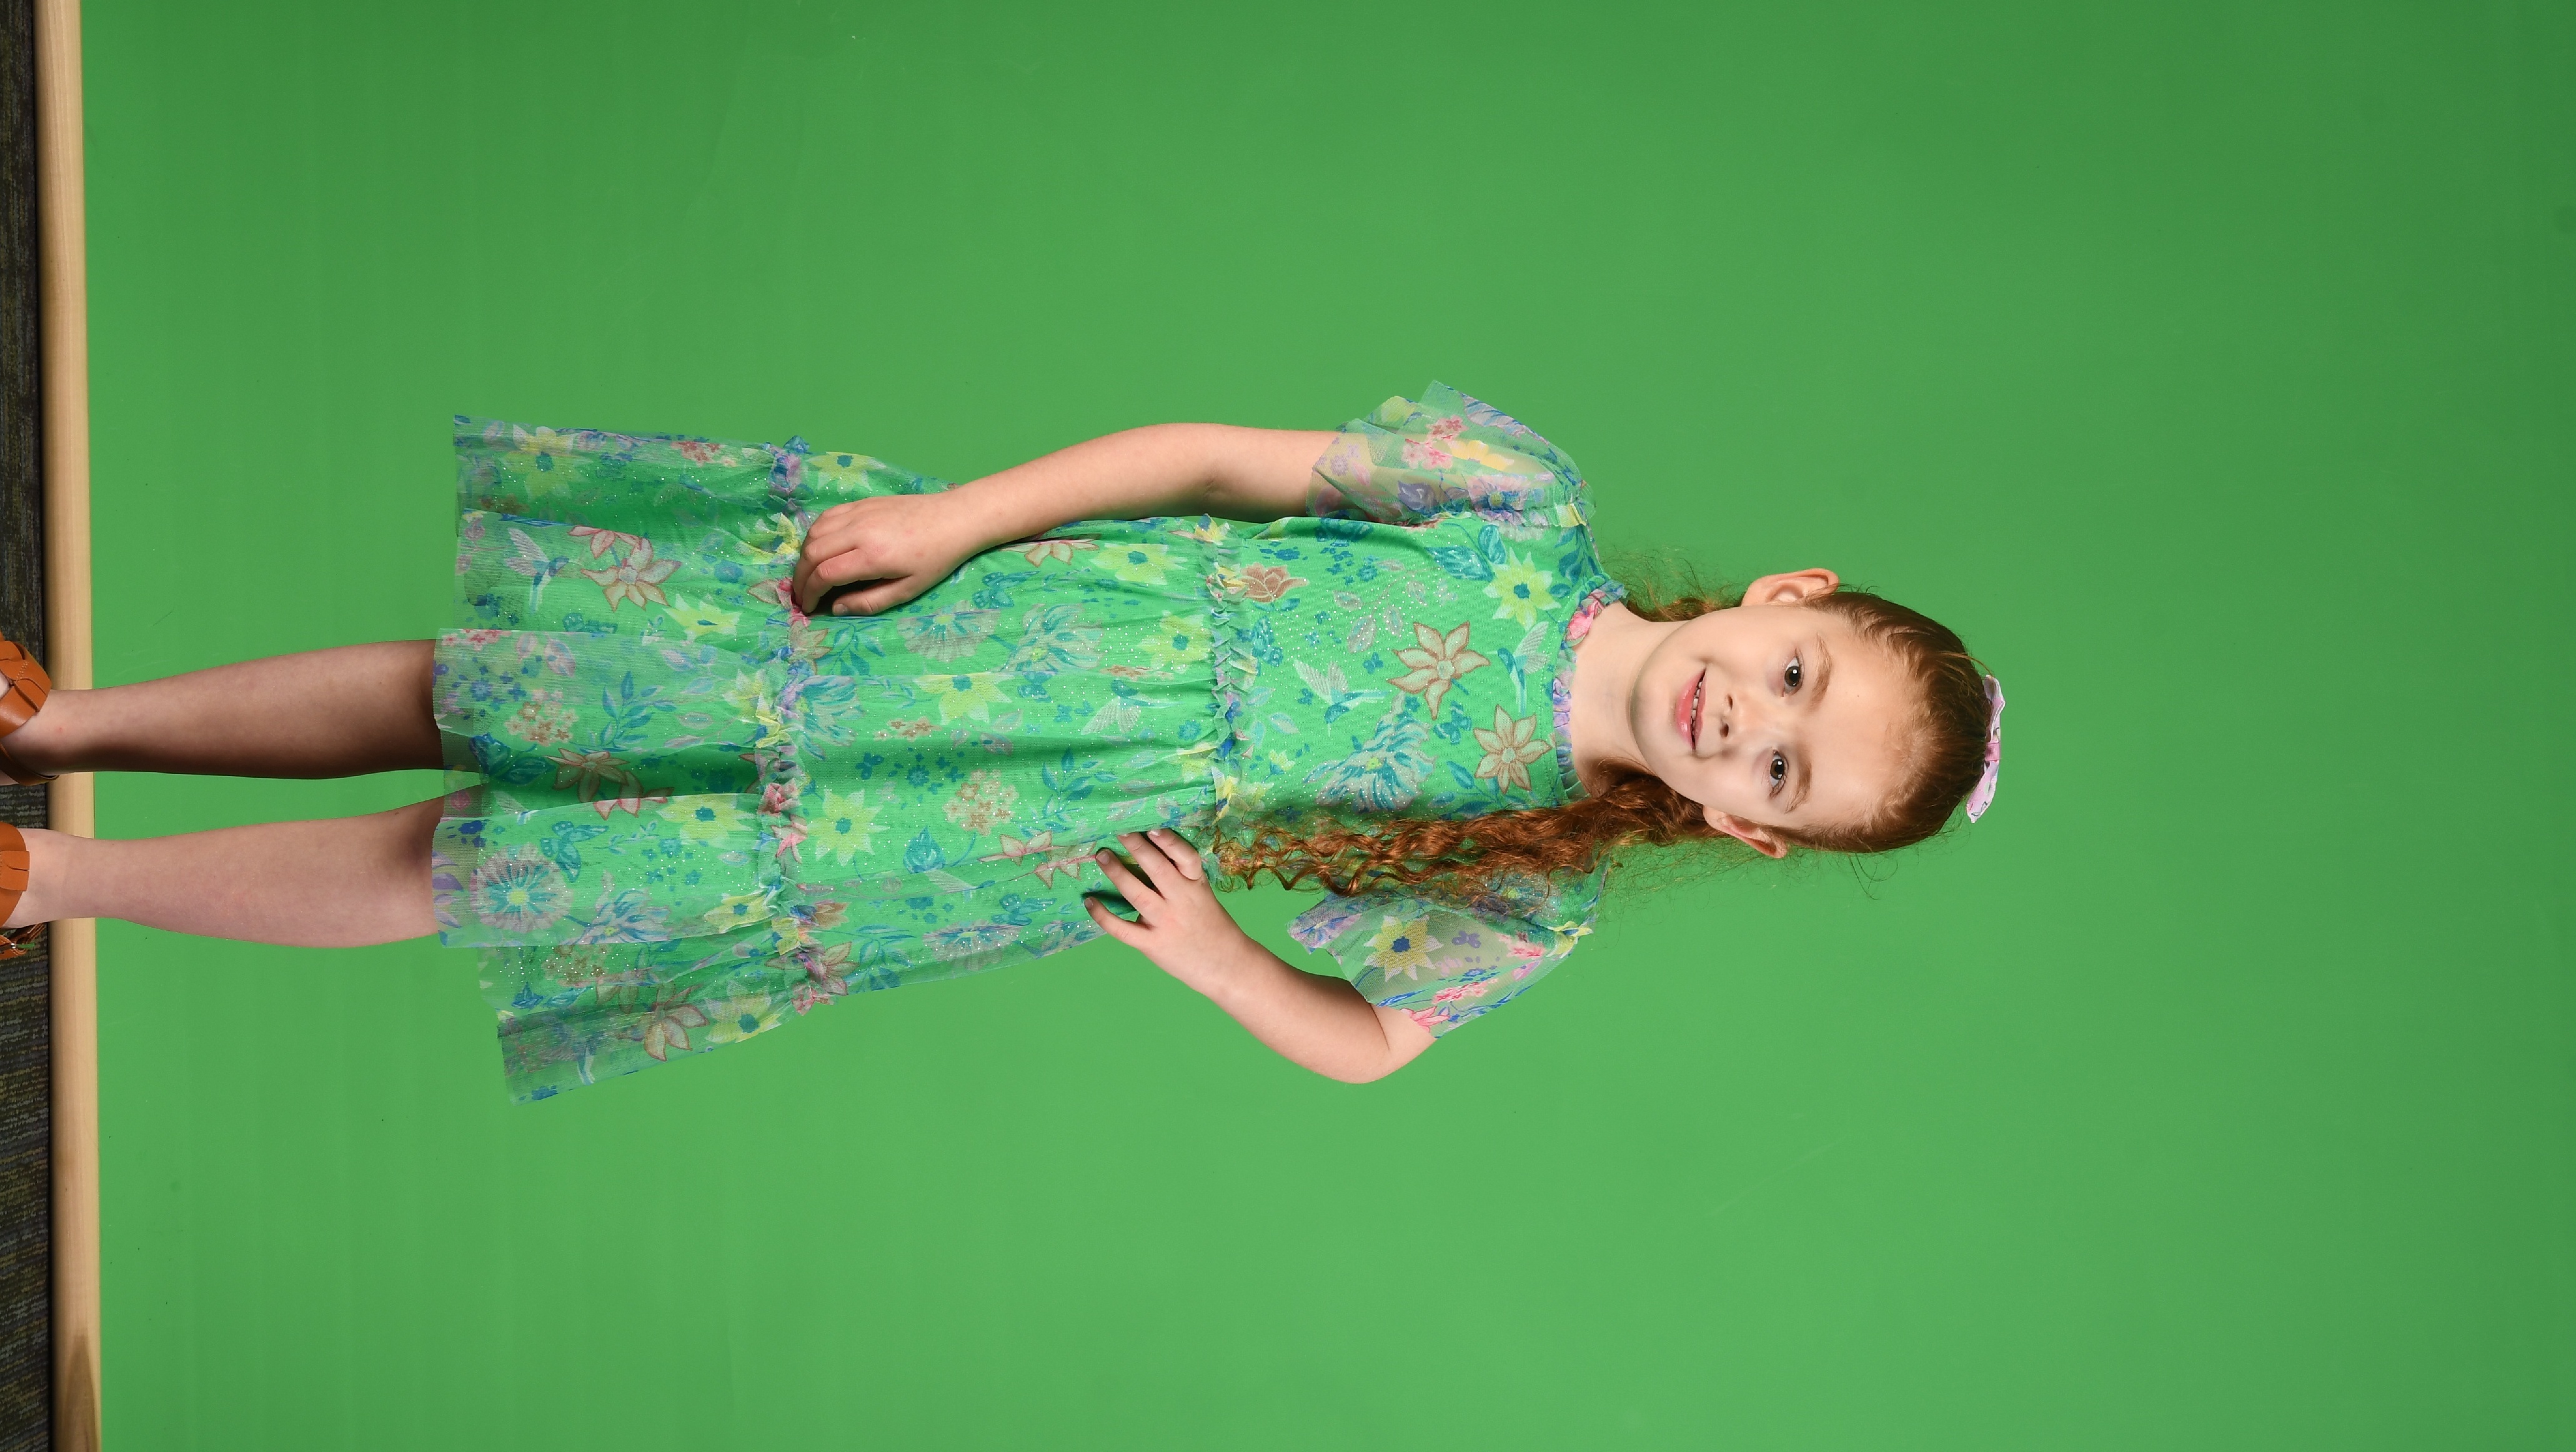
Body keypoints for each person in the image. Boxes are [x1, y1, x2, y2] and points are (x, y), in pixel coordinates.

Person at [0, 385, 2004, 1100]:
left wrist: (1220, 961)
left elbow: (1376, 1039)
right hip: (969, 622)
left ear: (1749, 833)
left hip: (975, 825)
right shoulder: (1513, 501)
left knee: (499, 863)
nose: (1751, 723)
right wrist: (963, 518)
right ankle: (63, 721)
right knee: (497, 682)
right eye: (1797, 679)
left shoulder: (1532, 868)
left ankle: (57, 877)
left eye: (1782, 775)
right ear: (1788, 595)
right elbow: (1211, 457)